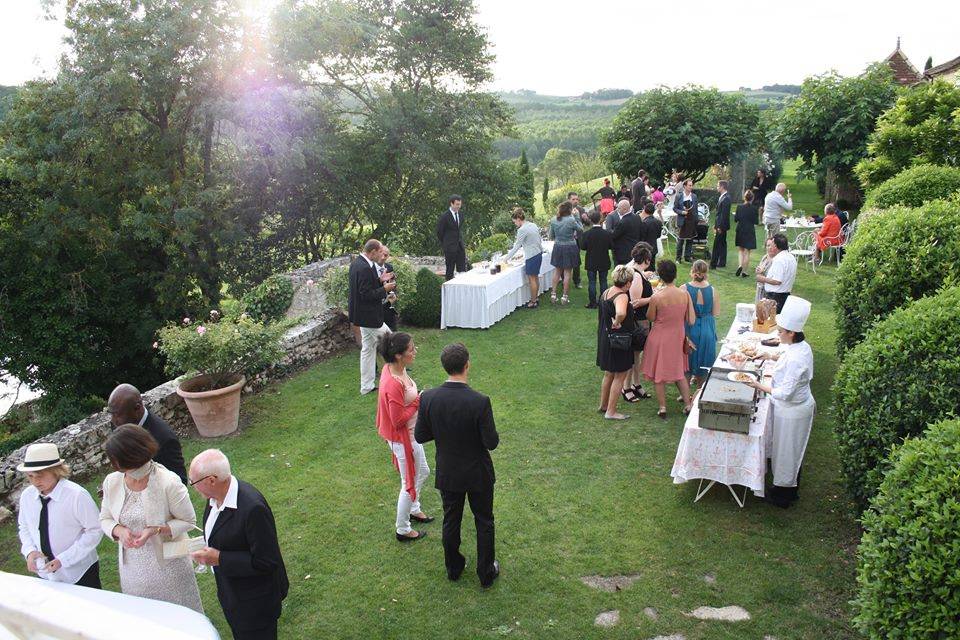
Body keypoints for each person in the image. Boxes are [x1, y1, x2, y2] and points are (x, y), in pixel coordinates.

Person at [414, 343, 500, 588]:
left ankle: (453, 568)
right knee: (484, 520)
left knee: (451, 519)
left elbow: (421, 435)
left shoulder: (429, 398)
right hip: (477, 473)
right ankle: (486, 572)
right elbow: (491, 443)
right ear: (467, 365)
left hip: (449, 472)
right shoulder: (480, 402)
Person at [99, 424, 203, 612]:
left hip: (170, 567)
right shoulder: (112, 482)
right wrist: (119, 531)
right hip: (133, 570)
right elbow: (105, 518)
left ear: (133, 456)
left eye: (118, 460)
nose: (115, 466)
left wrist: (155, 530)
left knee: (178, 619)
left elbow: (188, 521)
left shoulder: (168, 482)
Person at [190, 449, 289, 639]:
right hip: (233, 595)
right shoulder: (215, 497)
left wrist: (219, 558)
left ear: (212, 480)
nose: (193, 487)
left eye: (194, 482)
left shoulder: (253, 509)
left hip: (255, 604)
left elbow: (267, 561)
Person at [744, 296, 815, 508]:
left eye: (781, 331)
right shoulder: (798, 347)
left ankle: (784, 495)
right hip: (789, 409)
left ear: (792, 333)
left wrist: (758, 386)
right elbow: (784, 353)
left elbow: (784, 393)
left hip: (793, 411)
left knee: (788, 452)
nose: (778, 333)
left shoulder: (797, 358)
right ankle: (784, 487)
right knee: (783, 450)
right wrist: (768, 355)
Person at [17, 443, 102, 588]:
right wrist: (29, 551)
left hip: (79, 571)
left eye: (40, 476)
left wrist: (64, 559)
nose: (35, 481)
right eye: (30, 476)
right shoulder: (27, 496)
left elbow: (95, 530)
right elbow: (24, 526)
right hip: (45, 573)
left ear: (56, 471)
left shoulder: (77, 495)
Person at [376, 332, 432, 542]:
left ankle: (413, 508)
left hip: (411, 435)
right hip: (404, 439)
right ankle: (403, 528)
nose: (415, 351)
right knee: (408, 482)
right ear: (398, 355)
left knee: (423, 471)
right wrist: (418, 401)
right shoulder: (393, 383)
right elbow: (397, 420)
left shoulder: (396, 369)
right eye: (411, 349)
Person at [641, 259, 695, 419]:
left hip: (659, 337)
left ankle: (663, 407)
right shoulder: (684, 294)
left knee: (659, 373)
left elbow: (650, 317)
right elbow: (691, 319)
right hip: (677, 336)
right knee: (679, 372)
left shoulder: (657, 297)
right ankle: (687, 404)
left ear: (661, 277)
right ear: (675, 275)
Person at [107, 384, 187, 484]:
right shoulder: (119, 424)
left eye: (117, 414)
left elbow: (180, 481)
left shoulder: (164, 438)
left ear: (137, 408)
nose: (113, 420)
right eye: (112, 414)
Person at [349, 239, 396, 395]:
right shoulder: (363, 267)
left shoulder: (358, 263)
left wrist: (379, 280)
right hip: (369, 317)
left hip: (362, 316)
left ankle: (366, 386)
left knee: (368, 351)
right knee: (392, 342)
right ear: (373, 252)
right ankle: (397, 380)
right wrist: (384, 288)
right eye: (380, 251)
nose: (381, 255)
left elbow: (366, 287)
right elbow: (365, 294)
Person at [596, 264, 637, 420]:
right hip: (619, 340)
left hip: (606, 339)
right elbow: (620, 312)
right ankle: (611, 411)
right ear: (627, 283)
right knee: (620, 375)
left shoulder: (607, 292)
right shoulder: (622, 296)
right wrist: (618, 321)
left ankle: (604, 405)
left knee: (609, 374)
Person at [623, 243, 655, 403]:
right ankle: (626, 387)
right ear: (647, 260)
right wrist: (654, 298)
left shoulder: (638, 273)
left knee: (637, 355)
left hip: (642, 320)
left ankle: (636, 383)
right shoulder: (636, 276)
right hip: (637, 321)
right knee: (632, 355)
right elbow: (634, 302)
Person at [684, 260, 719, 388]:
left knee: (687, 362)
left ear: (692, 271)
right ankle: (700, 391)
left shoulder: (684, 288)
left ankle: (685, 394)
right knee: (704, 362)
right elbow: (715, 312)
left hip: (689, 327)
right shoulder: (713, 290)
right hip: (707, 328)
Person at [505, 207, 545, 309]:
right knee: (535, 277)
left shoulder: (522, 230)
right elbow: (538, 240)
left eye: (515, 222)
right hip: (538, 253)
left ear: (518, 219)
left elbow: (517, 246)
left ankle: (533, 301)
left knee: (532, 279)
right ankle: (536, 298)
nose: (515, 224)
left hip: (531, 256)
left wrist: (506, 259)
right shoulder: (533, 225)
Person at [548, 201, 583, 305]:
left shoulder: (554, 220)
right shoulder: (571, 219)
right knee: (567, 272)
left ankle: (553, 295)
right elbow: (580, 229)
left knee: (557, 271)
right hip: (570, 246)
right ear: (569, 210)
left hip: (558, 246)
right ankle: (564, 297)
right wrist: (577, 217)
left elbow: (551, 236)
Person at [579, 209, 613, 309]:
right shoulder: (606, 234)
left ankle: (592, 303)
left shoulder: (587, 234)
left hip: (591, 260)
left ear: (590, 220)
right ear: (601, 219)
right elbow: (611, 246)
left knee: (592, 282)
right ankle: (603, 302)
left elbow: (583, 247)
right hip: (603, 259)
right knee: (603, 281)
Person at [756, 233, 796, 313]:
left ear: (776, 246)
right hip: (784, 295)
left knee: (770, 323)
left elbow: (777, 281)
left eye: (773, 243)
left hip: (775, 297)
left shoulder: (779, 260)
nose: (771, 246)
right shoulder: (791, 257)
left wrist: (761, 278)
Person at [437, 194, 467, 280]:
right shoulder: (445, 216)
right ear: (451, 204)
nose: (459, 206)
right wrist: (446, 243)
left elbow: (458, 230)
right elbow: (439, 232)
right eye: (457, 204)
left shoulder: (461, 215)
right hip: (449, 248)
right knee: (450, 270)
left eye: (460, 204)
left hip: (460, 246)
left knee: (462, 270)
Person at [734, 190, 760, 277]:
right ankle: (744, 271)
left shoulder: (739, 207)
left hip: (740, 229)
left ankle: (740, 265)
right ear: (752, 198)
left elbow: (736, 219)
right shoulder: (754, 208)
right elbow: (756, 222)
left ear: (744, 198)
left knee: (741, 250)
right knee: (747, 251)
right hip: (749, 230)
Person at [611, 196, 643, 266]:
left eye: (619, 208)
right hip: (636, 248)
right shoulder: (637, 217)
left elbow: (614, 236)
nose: (617, 210)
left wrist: (608, 232)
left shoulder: (623, 222)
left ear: (625, 209)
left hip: (624, 252)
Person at [673, 179, 697, 262]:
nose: (691, 187)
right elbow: (674, 208)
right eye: (689, 185)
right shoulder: (679, 196)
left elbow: (695, 210)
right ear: (684, 186)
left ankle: (687, 257)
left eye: (691, 185)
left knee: (690, 239)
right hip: (682, 220)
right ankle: (678, 258)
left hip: (691, 220)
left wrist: (696, 220)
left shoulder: (694, 196)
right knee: (681, 240)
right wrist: (681, 212)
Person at [376, 245, 399, 331]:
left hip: (388, 305)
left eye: (385, 255)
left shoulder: (389, 267)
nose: (382, 257)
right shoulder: (370, 268)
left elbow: (392, 284)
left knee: (392, 332)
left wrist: (394, 294)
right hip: (376, 305)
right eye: (381, 254)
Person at [710, 180, 731, 268]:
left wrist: (719, 227)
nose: (717, 187)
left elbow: (724, 215)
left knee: (717, 244)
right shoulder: (722, 197)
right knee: (722, 243)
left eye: (718, 186)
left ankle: (713, 264)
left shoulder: (726, 198)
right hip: (720, 224)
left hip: (721, 226)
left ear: (722, 187)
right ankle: (722, 262)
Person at [568, 193, 587, 289]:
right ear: (568, 200)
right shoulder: (564, 210)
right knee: (566, 261)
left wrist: (585, 218)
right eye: (573, 199)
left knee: (576, 261)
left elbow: (587, 223)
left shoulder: (581, 209)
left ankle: (577, 281)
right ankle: (564, 280)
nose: (575, 201)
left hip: (577, 239)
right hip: (567, 239)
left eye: (577, 199)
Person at [637, 202, 663, 267]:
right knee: (652, 265)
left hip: (645, 248)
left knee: (645, 266)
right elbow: (658, 235)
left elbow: (642, 237)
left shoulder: (644, 223)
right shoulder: (658, 222)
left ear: (645, 210)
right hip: (654, 247)